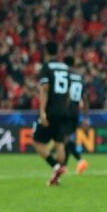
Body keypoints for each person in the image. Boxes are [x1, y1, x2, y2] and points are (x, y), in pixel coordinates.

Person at [32, 42, 70, 186]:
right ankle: (57, 178)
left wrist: (42, 112)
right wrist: (64, 108)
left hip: (50, 110)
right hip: (63, 110)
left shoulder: (46, 67)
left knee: (37, 141)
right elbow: (67, 93)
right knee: (59, 144)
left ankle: (55, 166)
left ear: (46, 52)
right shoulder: (65, 68)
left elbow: (45, 89)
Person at [64, 56, 90, 175]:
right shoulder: (79, 78)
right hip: (76, 111)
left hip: (67, 110)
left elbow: (68, 93)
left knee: (65, 139)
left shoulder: (66, 76)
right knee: (66, 139)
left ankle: (80, 160)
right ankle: (62, 167)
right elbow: (84, 99)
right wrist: (85, 118)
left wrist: (64, 109)